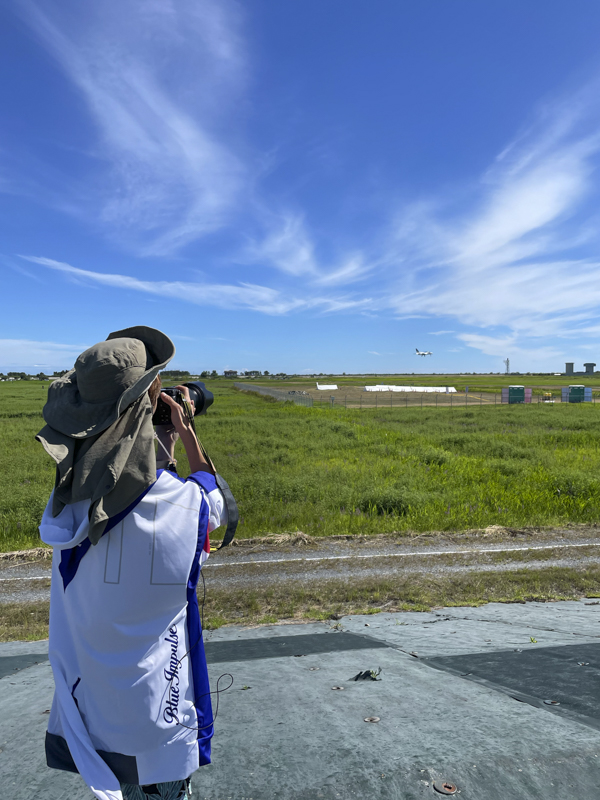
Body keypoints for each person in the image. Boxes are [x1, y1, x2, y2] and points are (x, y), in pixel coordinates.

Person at [36, 326, 227, 800]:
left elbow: (109, 470)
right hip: (157, 718)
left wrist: (142, 424)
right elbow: (213, 496)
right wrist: (183, 430)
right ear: (147, 407)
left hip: (90, 708)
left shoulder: (64, 507)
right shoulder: (181, 505)